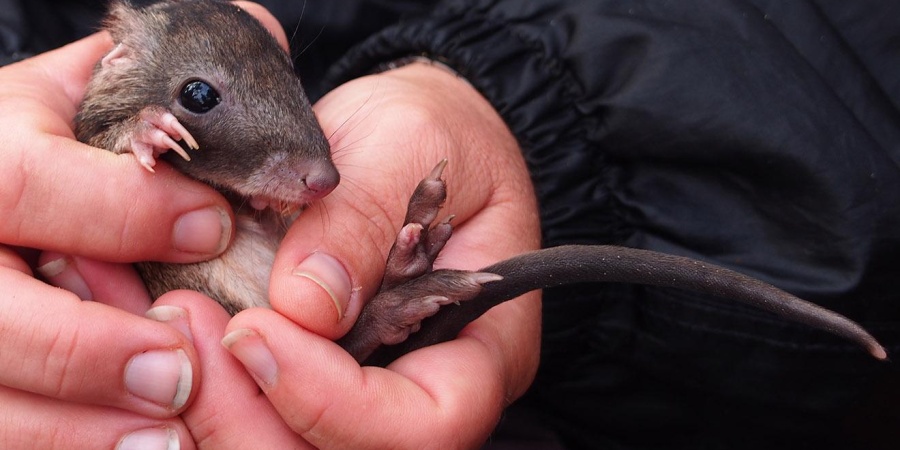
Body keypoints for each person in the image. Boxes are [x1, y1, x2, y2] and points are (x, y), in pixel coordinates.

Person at [2, 0, 899, 449]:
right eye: (199, 100)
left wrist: (508, 123)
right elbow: (102, 128)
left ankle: (378, 307)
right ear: (121, 61)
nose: (319, 173)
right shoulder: (125, 97)